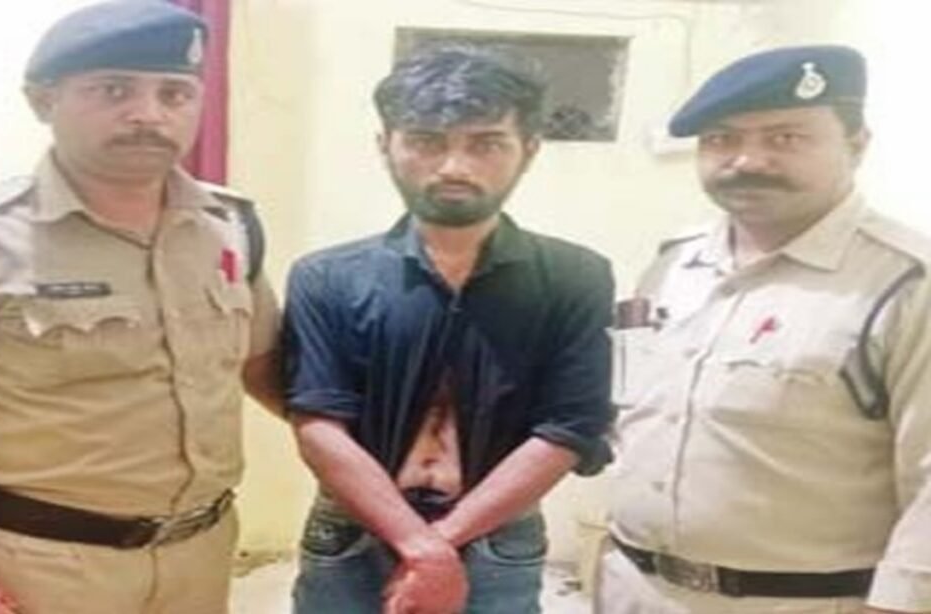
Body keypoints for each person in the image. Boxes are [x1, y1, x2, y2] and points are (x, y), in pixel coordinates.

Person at [0, 2, 282, 613]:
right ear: (42, 101)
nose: (148, 114)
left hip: (203, 550)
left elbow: (265, 369)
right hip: (48, 564)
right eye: (114, 90)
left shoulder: (230, 226)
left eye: (174, 94)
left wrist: (378, 449)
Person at [281, 46, 614, 614]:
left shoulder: (574, 276)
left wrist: (437, 545)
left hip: (499, 534)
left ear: (529, 150)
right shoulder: (327, 276)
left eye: (485, 143)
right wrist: (425, 549)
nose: (455, 167)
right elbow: (317, 424)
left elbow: (569, 427)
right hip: (352, 532)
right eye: (427, 141)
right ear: (385, 145)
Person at [600, 45, 931, 614]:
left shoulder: (905, 283)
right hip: (634, 589)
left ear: (857, 144)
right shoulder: (672, 265)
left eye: (786, 138)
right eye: (721, 139)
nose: (747, 159)